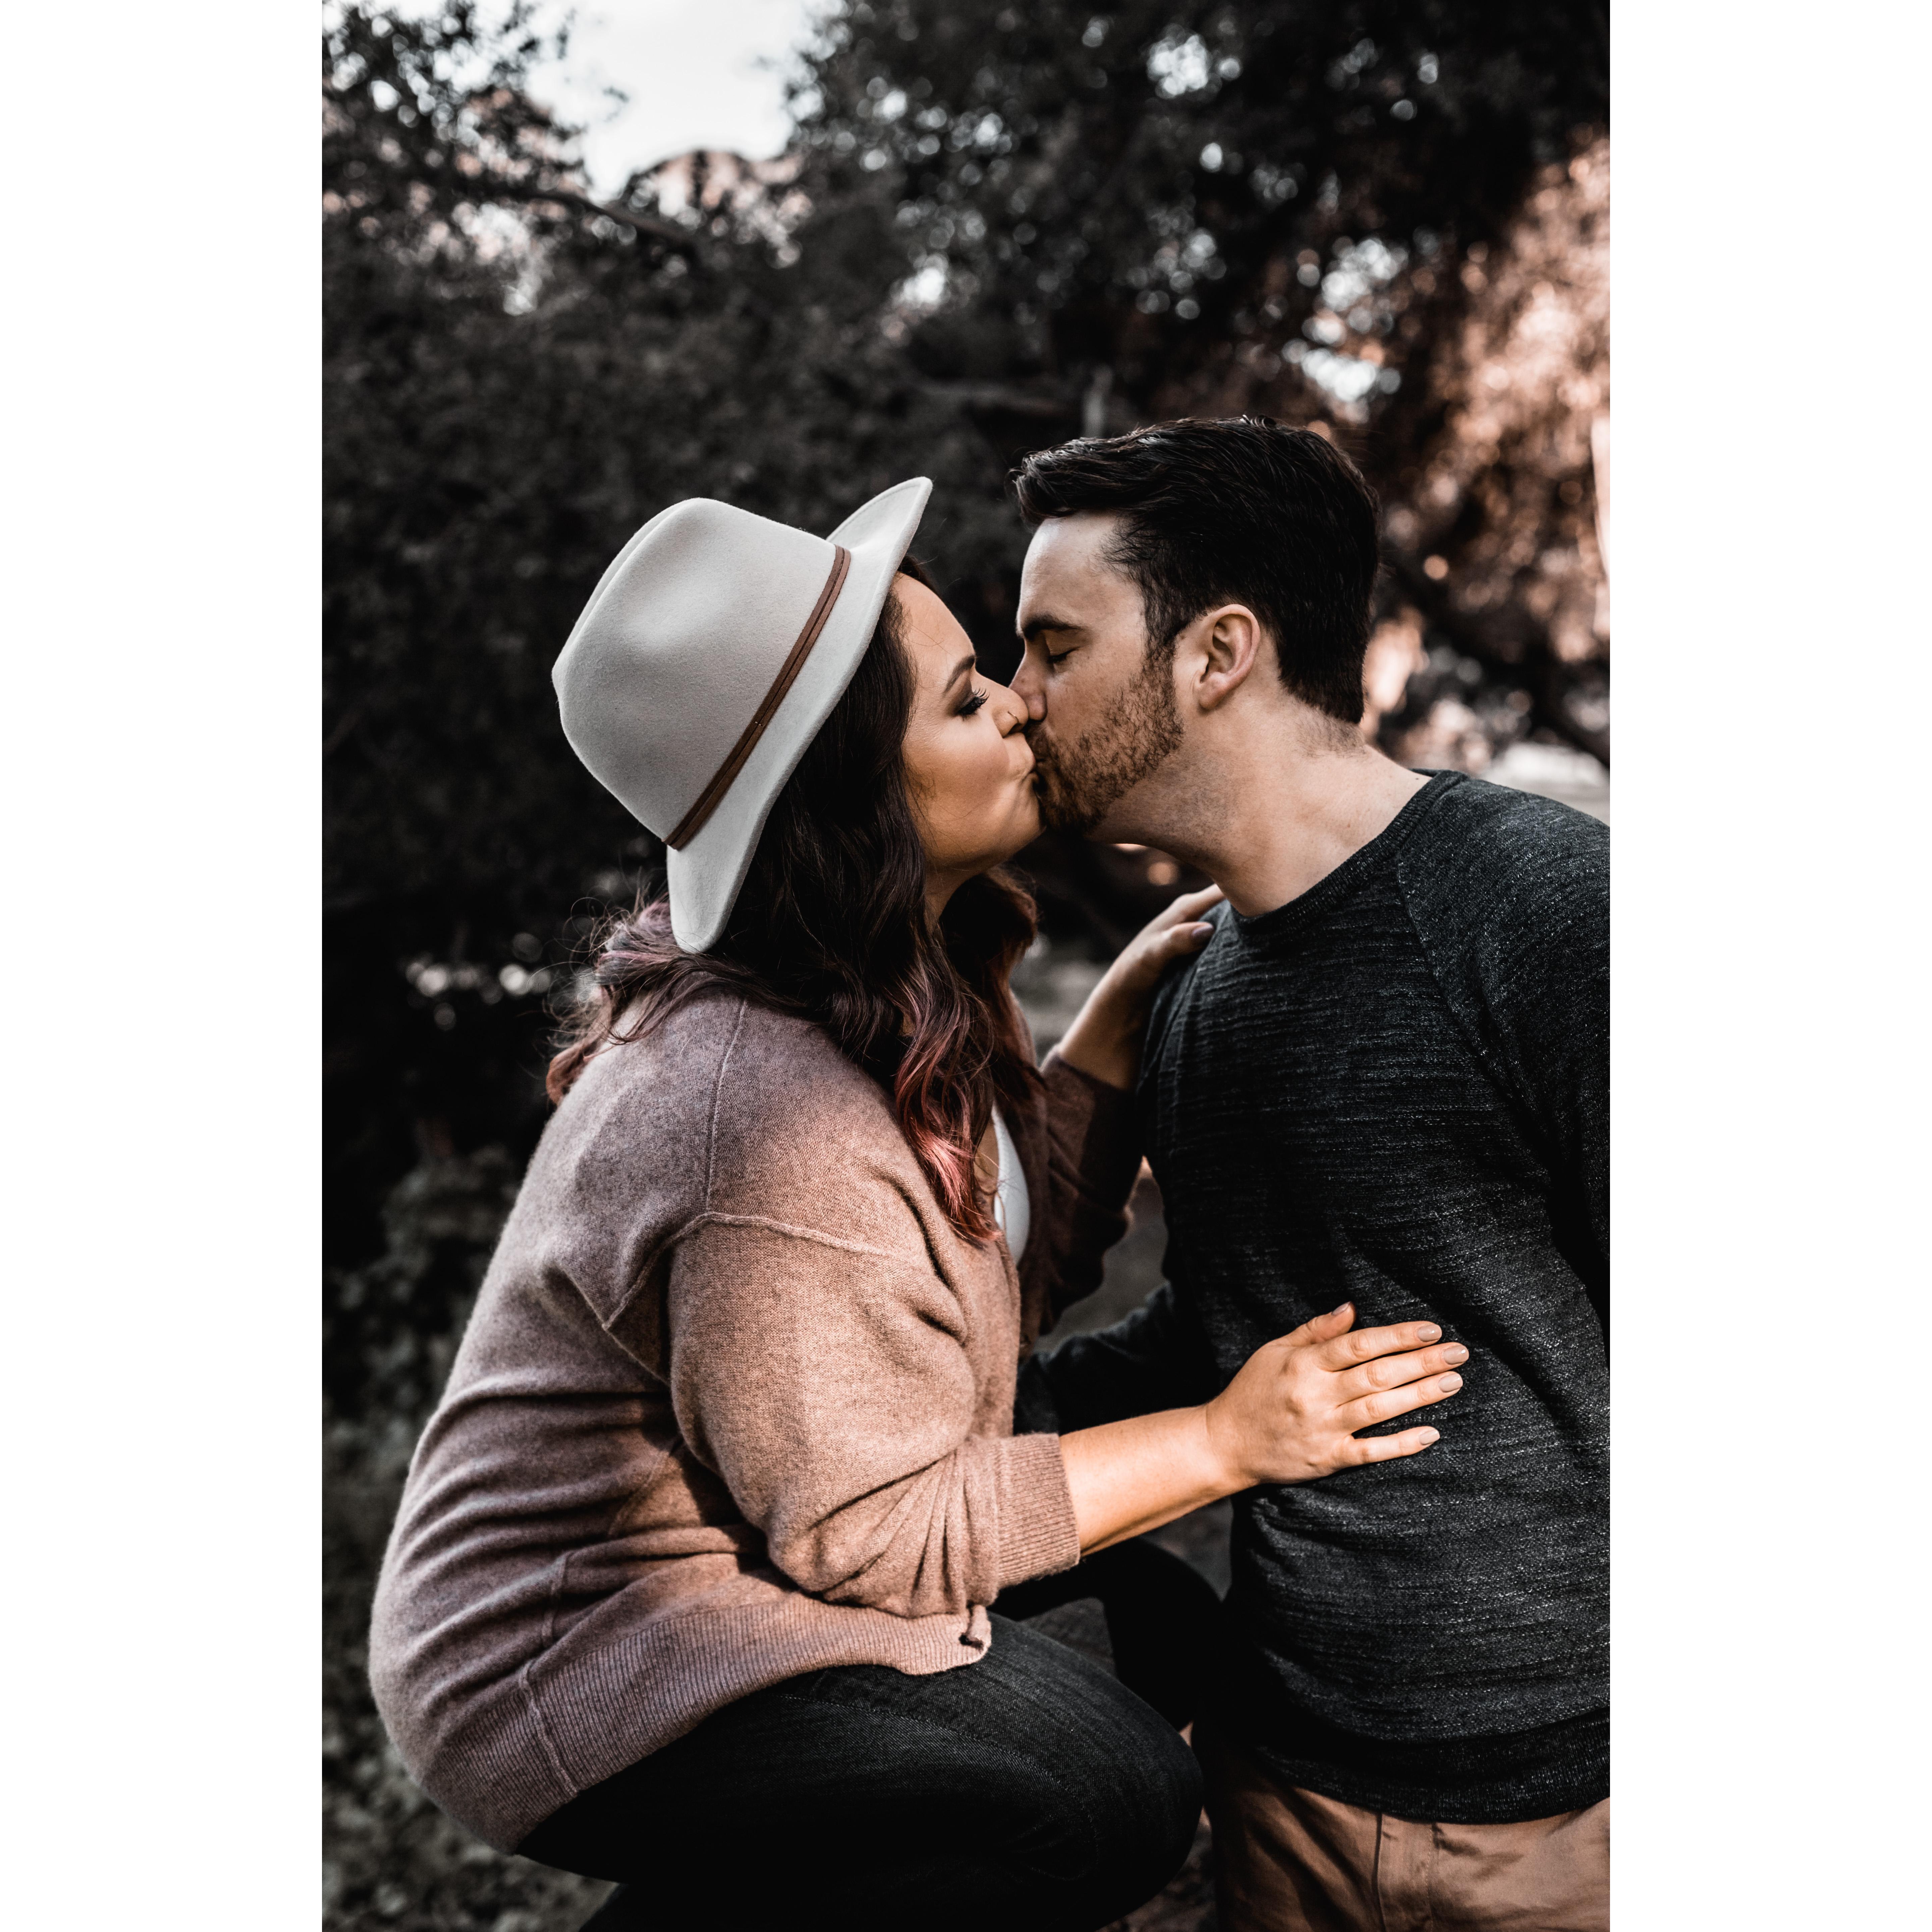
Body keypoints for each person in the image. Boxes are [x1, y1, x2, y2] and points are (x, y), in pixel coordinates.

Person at [366, 479, 1467, 1932]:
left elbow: (967, 1281)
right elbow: (876, 1533)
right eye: (964, 700)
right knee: (1104, 1795)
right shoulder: (765, 1113)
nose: (1019, 706)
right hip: (577, 1652)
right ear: (859, 797)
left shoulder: (886, 985)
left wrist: (1097, 1060)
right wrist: (1225, 1440)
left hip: (747, 1557)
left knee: (1161, 1629)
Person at [1007, 418, 1610, 1932]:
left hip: (1574, 1821)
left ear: (1218, 653)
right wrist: (918, 1450)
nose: (1021, 706)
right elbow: (1232, 1326)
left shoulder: (1545, 914)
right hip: (1283, 1797)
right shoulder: (1199, 987)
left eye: (1052, 649)